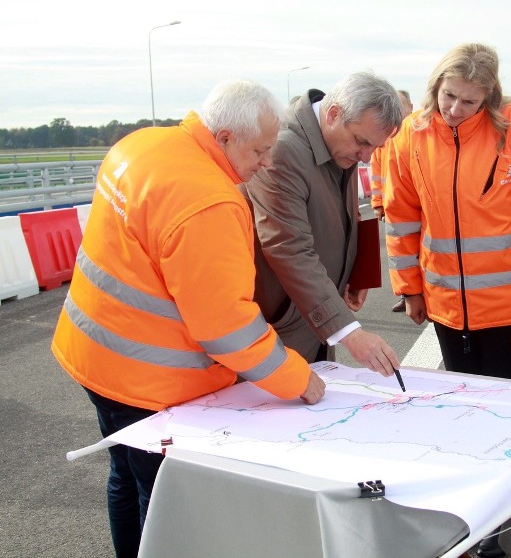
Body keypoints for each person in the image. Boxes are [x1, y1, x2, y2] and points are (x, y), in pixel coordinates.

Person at [51, 80, 326, 558]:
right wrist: (297, 377)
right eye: (260, 151)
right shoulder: (210, 201)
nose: (266, 163)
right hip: (149, 384)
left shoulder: (141, 144)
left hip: (93, 353)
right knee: (163, 503)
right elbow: (228, 329)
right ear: (223, 138)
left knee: (122, 474)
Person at [384, 42, 511, 558]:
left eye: (468, 101)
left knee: (504, 423)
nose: (454, 110)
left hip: (509, 307)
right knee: (463, 417)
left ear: (488, 95)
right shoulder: (410, 136)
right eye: (448, 96)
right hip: (446, 306)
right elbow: (401, 219)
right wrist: (409, 288)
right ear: (435, 87)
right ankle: (475, 526)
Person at [244, 71, 403, 376]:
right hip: (283, 325)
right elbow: (288, 248)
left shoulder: (339, 144)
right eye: (362, 143)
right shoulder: (284, 150)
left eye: (374, 148)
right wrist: (349, 333)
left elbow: (343, 215)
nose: (367, 157)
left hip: (313, 318)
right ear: (333, 114)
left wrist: (357, 273)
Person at [369, 89, 414, 312]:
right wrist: (378, 202)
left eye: (401, 106)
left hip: (413, 207)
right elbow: (376, 172)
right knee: (398, 254)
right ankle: (407, 294)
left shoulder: (419, 135)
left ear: (411, 108)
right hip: (392, 206)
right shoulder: (385, 139)